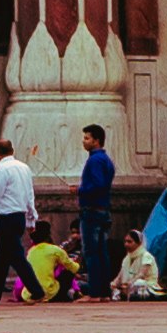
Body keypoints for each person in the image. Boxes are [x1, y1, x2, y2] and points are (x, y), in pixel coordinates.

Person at [0, 134, 41, 302]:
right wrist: (31, 218)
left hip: (6, 218)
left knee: (16, 258)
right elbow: (29, 195)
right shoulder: (24, 168)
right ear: (12, 150)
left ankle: (37, 290)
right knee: (2, 260)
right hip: (19, 217)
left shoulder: (2, 169)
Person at [74, 124, 120, 294]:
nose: (84, 141)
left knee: (91, 252)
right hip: (103, 209)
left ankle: (94, 292)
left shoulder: (94, 160)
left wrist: (79, 190)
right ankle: (103, 291)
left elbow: (98, 185)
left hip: (92, 210)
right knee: (102, 252)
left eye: (87, 138)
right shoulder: (105, 160)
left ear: (96, 141)